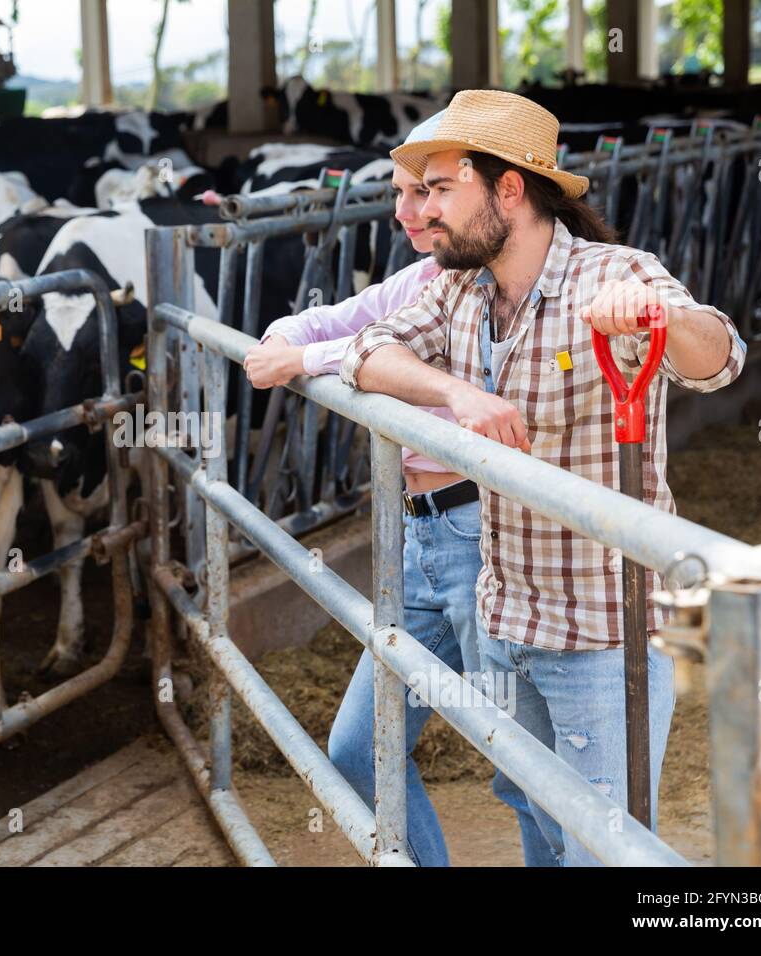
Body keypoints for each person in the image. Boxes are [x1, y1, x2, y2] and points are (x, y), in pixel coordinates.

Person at [341, 89, 747, 866]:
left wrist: (658, 320)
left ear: (509, 189)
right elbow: (367, 351)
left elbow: (719, 355)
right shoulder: (463, 288)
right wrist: (457, 393)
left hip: (599, 630)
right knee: (534, 810)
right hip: (506, 619)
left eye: (441, 188)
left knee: (600, 846)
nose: (424, 211)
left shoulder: (613, 274)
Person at [243, 110, 484, 868]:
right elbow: (324, 323)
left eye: (428, 191)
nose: (407, 212)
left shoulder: (495, 289)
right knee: (359, 749)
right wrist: (288, 339)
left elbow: (347, 346)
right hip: (419, 539)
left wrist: (308, 359)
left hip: (491, 537)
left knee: (526, 770)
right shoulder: (421, 280)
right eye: (401, 193)